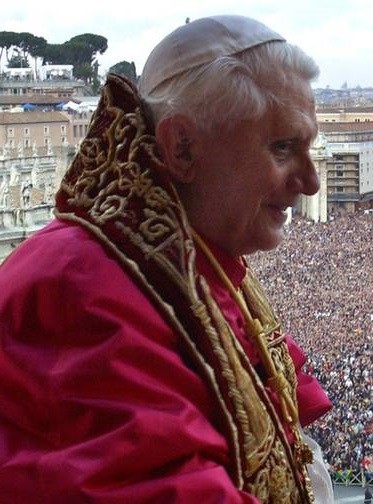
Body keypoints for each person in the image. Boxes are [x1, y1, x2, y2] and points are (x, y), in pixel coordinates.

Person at [0, 15, 332, 503]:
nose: (311, 182)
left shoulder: (195, 257)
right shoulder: (80, 293)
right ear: (182, 147)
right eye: (283, 148)